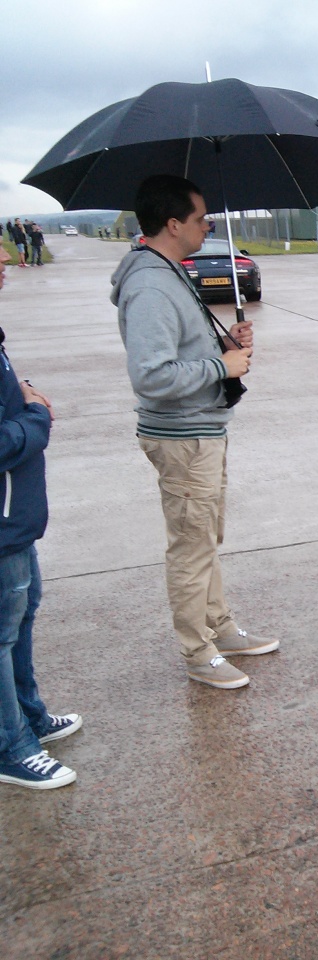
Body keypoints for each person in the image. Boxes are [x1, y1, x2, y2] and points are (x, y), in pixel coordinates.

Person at [110, 174, 277, 690]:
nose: (209, 225)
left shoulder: (169, 271)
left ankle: (219, 626)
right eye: (202, 218)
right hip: (182, 437)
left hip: (201, 430)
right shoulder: (151, 284)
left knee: (205, 538)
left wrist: (226, 342)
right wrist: (221, 368)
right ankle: (197, 651)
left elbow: (181, 348)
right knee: (191, 544)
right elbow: (152, 375)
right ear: (173, 223)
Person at [0, 244, 81, 790]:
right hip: (3, 522)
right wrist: (35, 417)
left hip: (17, 516)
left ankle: (29, 718)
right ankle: (12, 748)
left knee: (24, 616)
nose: (4, 265)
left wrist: (19, 389)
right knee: (2, 635)